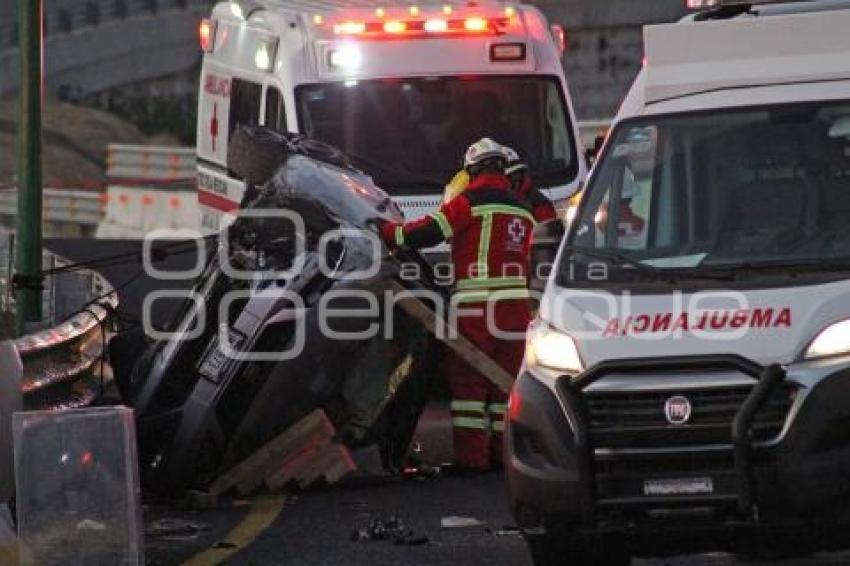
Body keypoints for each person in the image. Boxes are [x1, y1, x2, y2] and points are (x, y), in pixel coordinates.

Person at [379, 138, 536, 472]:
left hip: (477, 308)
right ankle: (501, 454)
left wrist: (388, 232)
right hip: (518, 311)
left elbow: (428, 231)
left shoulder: (470, 201)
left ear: (472, 171)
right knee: (503, 383)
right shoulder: (523, 208)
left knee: (468, 383)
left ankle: (472, 459)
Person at [502, 146, 557, 222]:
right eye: (511, 175)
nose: (516, 179)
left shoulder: (540, 204)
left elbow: (548, 231)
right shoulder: (494, 200)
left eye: (517, 173)